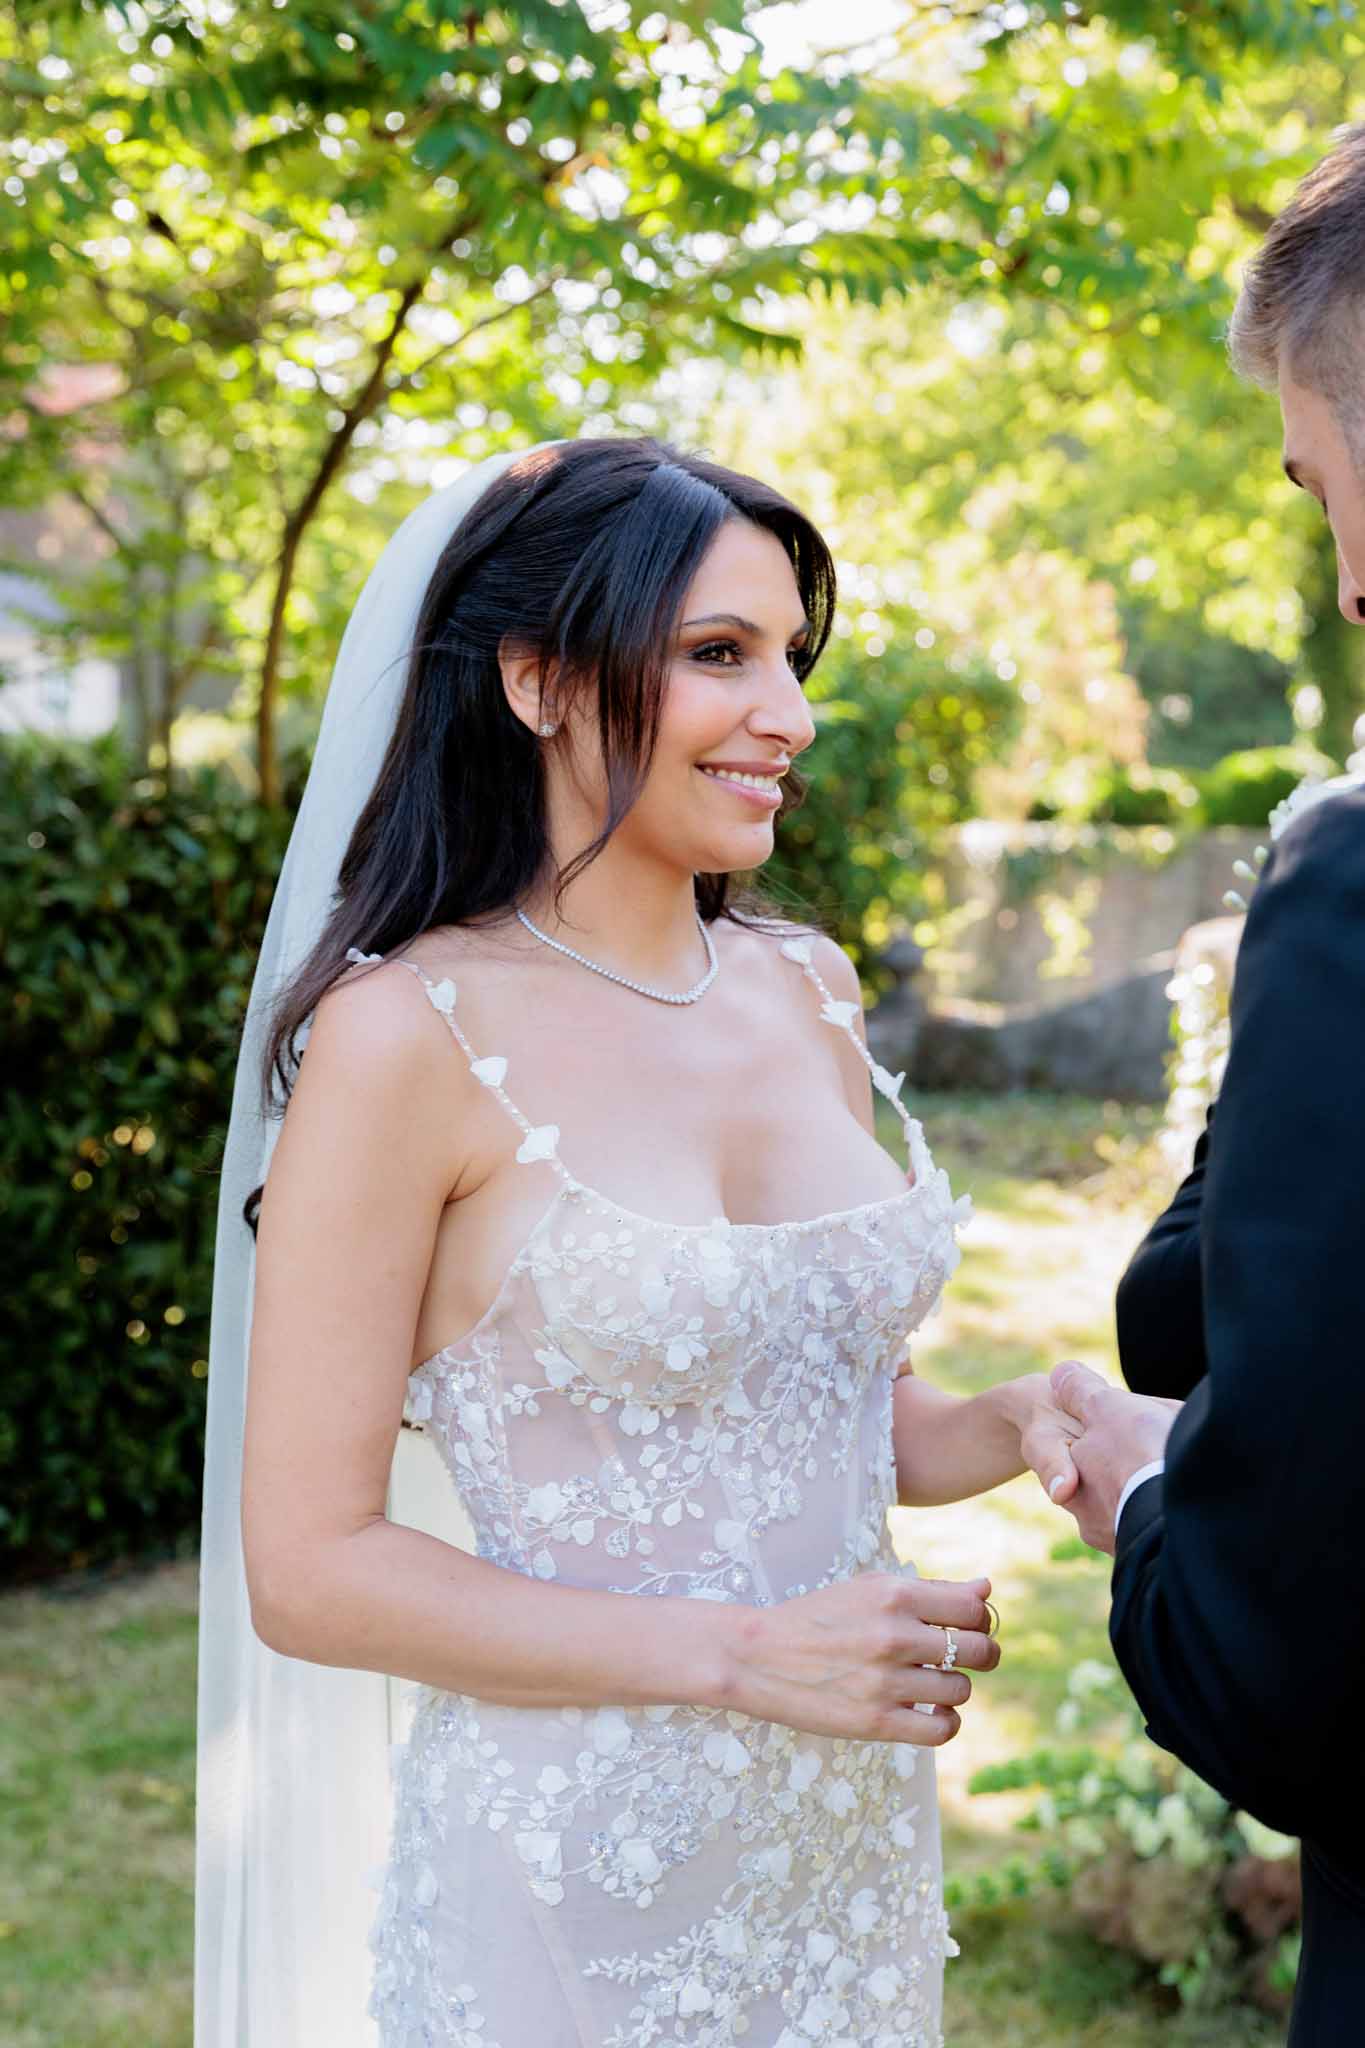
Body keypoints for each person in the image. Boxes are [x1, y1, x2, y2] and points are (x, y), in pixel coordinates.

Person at [198, 434, 1076, 2046]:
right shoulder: (407, 1037)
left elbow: (801, 1403)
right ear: (536, 682)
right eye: (715, 656)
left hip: (841, 1863)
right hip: (568, 1887)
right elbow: (311, 1571)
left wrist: (1014, 1423)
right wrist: (745, 1655)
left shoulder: (807, 986)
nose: (789, 719)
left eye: (790, 662)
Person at [1030, 125, 1365, 2046]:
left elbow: (1275, 1669)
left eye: (1321, 484)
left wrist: (1156, 1504)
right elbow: (1178, 1300)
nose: (1339, 582)